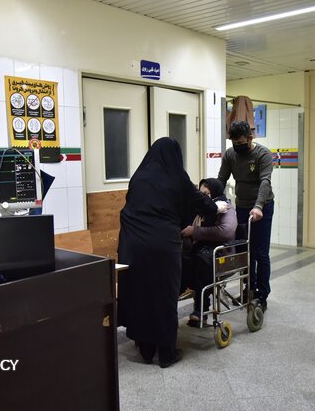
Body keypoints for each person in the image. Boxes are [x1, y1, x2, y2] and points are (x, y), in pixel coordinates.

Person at [117, 137, 222, 368]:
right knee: (164, 296)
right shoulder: (177, 176)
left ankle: (146, 349)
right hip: (162, 245)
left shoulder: (139, 176)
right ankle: (166, 353)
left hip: (131, 244)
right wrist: (215, 207)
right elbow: (201, 204)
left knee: (141, 294)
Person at [217, 120, 274, 311]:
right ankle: (248, 288)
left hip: (262, 207)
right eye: (234, 143)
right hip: (241, 207)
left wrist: (258, 206)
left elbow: (265, 182)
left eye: (241, 143)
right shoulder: (231, 154)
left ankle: (262, 294)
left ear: (251, 138)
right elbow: (221, 179)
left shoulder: (262, 154)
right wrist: (215, 200)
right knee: (244, 251)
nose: (237, 147)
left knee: (260, 252)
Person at [181, 178, 237, 327]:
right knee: (183, 261)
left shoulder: (226, 207)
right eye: (201, 194)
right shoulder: (201, 210)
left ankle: (201, 311)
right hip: (202, 250)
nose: (204, 197)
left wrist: (196, 232)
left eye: (206, 193)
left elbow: (227, 231)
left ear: (215, 192)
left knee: (201, 263)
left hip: (221, 252)